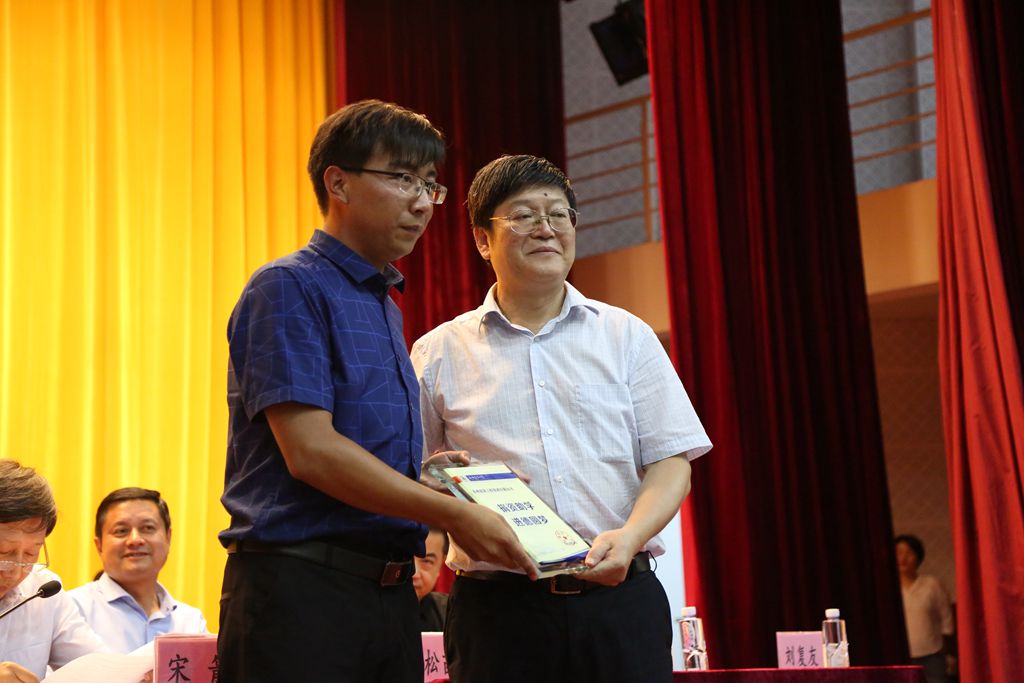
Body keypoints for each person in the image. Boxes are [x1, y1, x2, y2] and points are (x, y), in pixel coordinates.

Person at [217, 100, 535, 683]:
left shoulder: (382, 303)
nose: (422, 202)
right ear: (338, 182)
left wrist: (427, 478)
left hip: (387, 594)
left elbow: (349, 451)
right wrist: (454, 515)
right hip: (302, 594)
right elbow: (312, 453)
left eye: (430, 185)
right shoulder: (288, 286)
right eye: (403, 178)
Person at [411, 154, 713, 683]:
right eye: (524, 216)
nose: (546, 228)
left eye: (559, 214)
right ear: (483, 240)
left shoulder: (626, 336)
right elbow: (410, 474)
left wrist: (630, 536)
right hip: (498, 613)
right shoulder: (438, 352)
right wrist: (445, 490)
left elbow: (672, 462)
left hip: (620, 603)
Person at [0, 459, 105, 683]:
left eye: (31, 554)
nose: (15, 573)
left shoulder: (42, 592)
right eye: (3, 552)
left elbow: (97, 668)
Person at [69, 488, 207, 652]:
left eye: (148, 528)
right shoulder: (72, 610)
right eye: (121, 531)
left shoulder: (191, 623)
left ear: (168, 538)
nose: (135, 540)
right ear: (99, 545)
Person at [895, 534, 954, 683]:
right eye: (899, 553)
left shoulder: (931, 585)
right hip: (901, 656)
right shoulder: (888, 587)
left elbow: (946, 620)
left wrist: (948, 651)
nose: (903, 558)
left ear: (918, 557)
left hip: (933, 655)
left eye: (909, 553)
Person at [414, 527, 449, 632]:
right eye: (406, 559)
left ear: (441, 563)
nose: (415, 573)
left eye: (427, 561)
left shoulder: (450, 614)